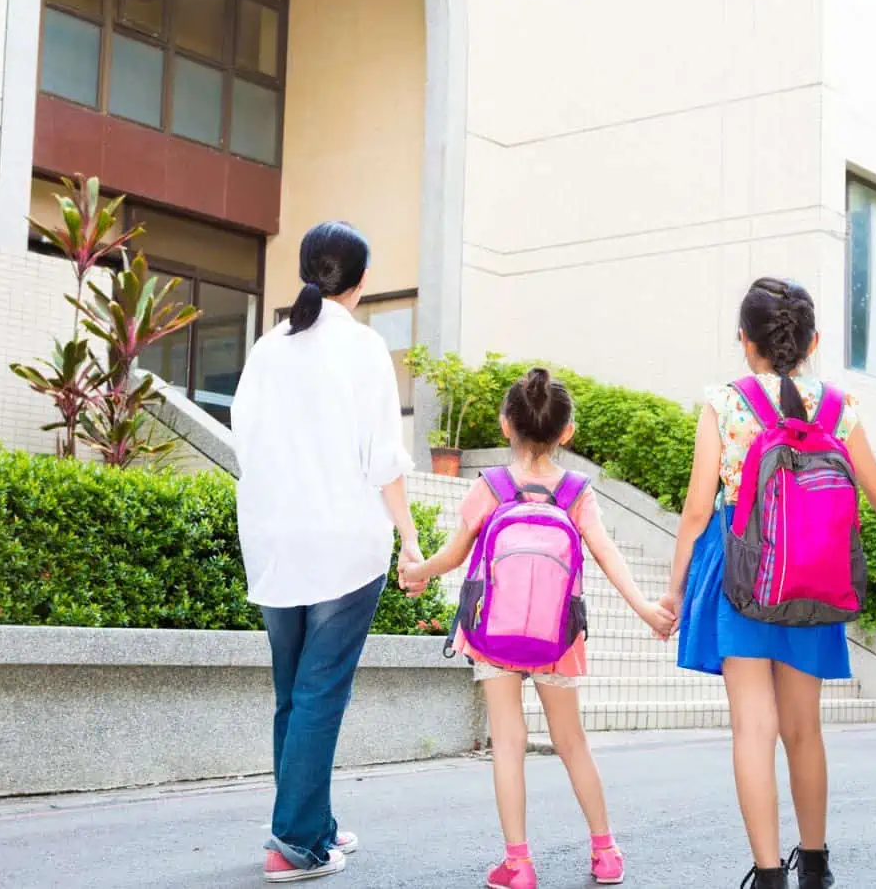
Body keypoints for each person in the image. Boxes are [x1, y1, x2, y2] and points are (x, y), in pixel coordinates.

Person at [657, 278, 876, 889]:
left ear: (744, 341)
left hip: (742, 576)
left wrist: (673, 590)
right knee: (804, 727)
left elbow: (698, 509)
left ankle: (769, 875)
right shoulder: (837, 407)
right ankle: (817, 865)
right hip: (813, 578)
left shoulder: (725, 403)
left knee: (754, 727)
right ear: (814, 342)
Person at [400, 367, 675, 889]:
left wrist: (415, 573)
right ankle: (605, 852)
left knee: (508, 741)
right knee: (572, 741)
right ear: (565, 433)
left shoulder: (491, 487)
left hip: (492, 634)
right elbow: (607, 554)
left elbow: (453, 555)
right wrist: (644, 607)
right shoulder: (576, 492)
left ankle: (519, 864)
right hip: (558, 634)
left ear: (507, 425)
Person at [231, 221, 422, 883]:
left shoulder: (267, 348)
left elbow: (244, 444)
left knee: (295, 693)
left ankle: (312, 825)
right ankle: (294, 847)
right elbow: (383, 462)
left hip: (275, 542)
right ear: (361, 282)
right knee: (319, 694)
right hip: (344, 545)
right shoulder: (365, 349)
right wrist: (410, 536)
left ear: (310, 273)